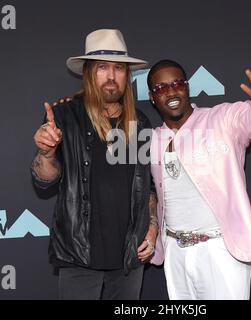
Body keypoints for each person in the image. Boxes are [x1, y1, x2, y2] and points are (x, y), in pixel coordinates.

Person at [30, 29, 158, 300]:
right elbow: (45, 178)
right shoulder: (64, 116)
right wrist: (47, 152)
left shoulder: (141, 123)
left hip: (129, 256)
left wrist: (152, 227)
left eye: (119, 69)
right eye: (102, 68)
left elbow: (146, 186)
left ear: (128, 75)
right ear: (88, 72)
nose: (111, 77)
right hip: (78, 254)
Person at [147, 59, 251, 300]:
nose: (171, 91)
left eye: (177, 83)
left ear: (187, 87)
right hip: (176, 252)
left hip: (221, 250)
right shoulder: (153, 138)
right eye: (161, 88)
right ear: (152, 97)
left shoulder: (220, 119)